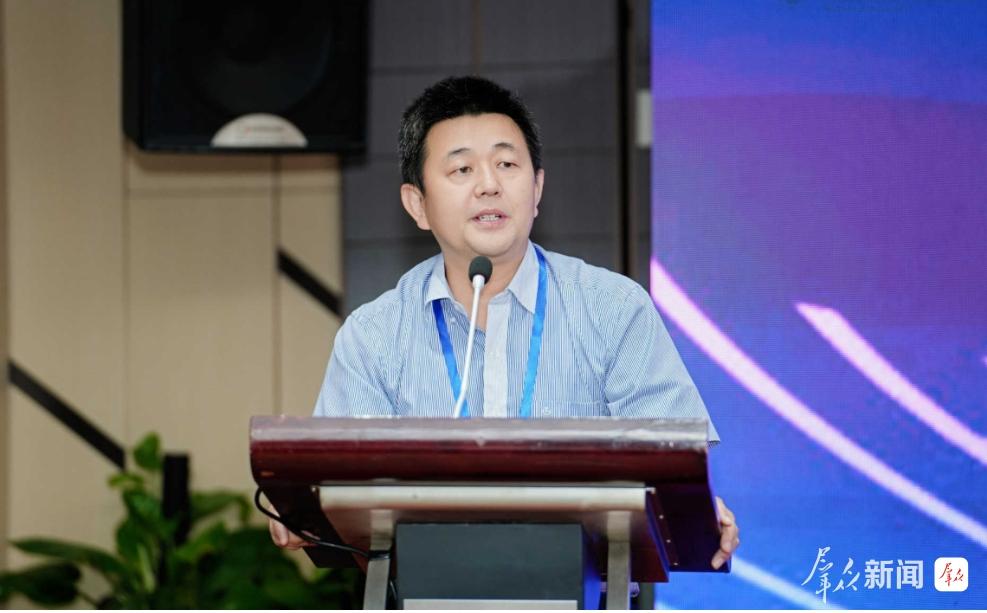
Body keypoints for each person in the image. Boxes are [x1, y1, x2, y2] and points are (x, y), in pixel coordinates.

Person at [270, 76, 739, 570]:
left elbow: (674, 464)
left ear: (537, 189)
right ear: (418, 204)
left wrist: (695, 507)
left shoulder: (614, 308)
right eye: (462, 169)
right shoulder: (373, 335)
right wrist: (308, 513)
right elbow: (341, 494)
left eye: (507, 164)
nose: (489, 184)